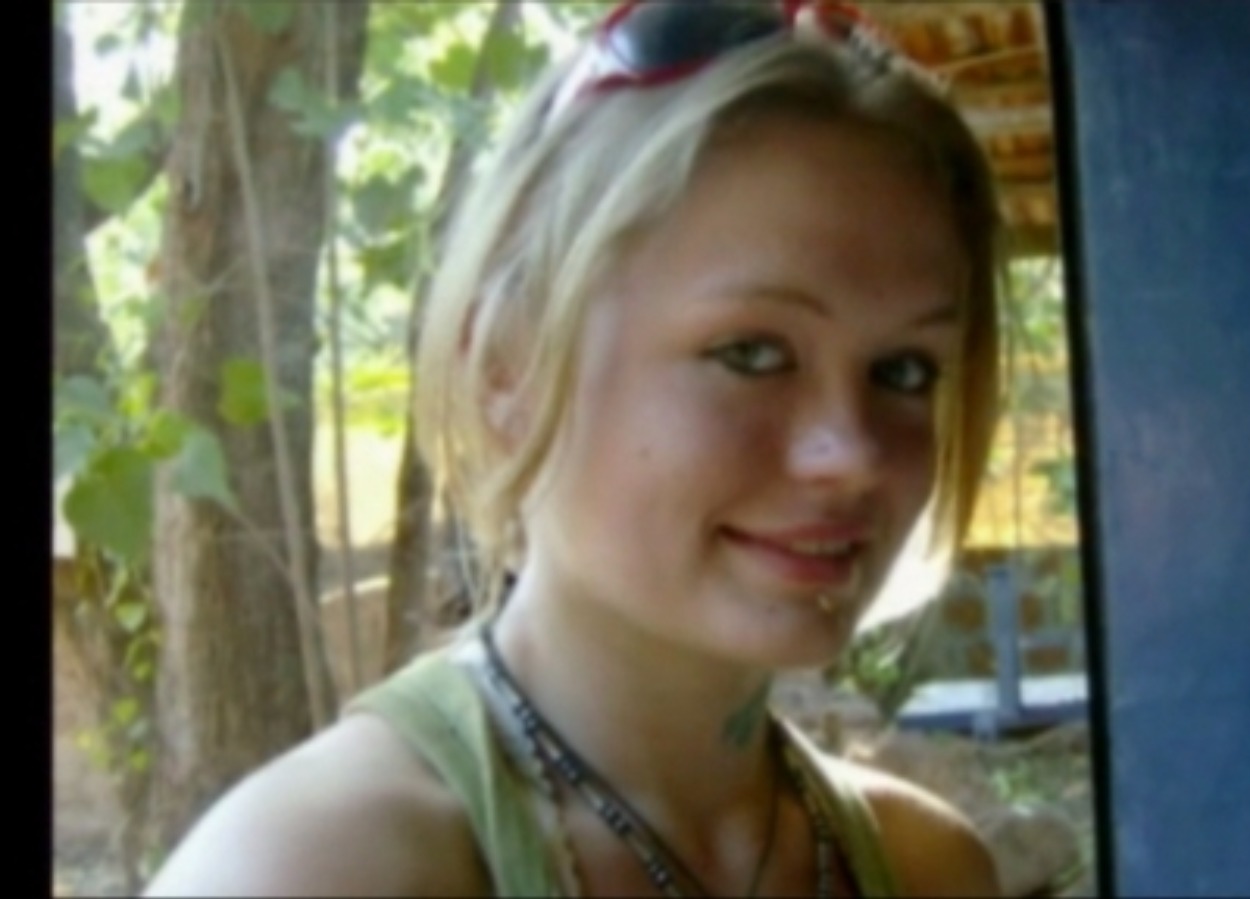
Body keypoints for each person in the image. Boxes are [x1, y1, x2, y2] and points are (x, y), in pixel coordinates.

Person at [145, 1, 1004, 895]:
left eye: (904, 370)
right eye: (751, 353)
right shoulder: (313, 868)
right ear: (506, 371)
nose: (853, 452)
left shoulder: (930, 869)